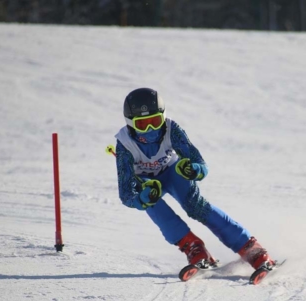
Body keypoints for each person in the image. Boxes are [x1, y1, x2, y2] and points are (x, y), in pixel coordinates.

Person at [114, 87, 276, 283]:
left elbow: (200, 163)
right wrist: (140, 198)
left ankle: (253, 251)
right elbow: (126, 192)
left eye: (155, 121)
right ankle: (194, 247)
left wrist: (193, 169)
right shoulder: (124, 143)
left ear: (163, 117)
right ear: (131, 124)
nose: (150, 130)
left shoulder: (171, 129)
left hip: (173, 172)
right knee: (153, 203)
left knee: (195, 206)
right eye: (143, 124)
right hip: (148, 182)